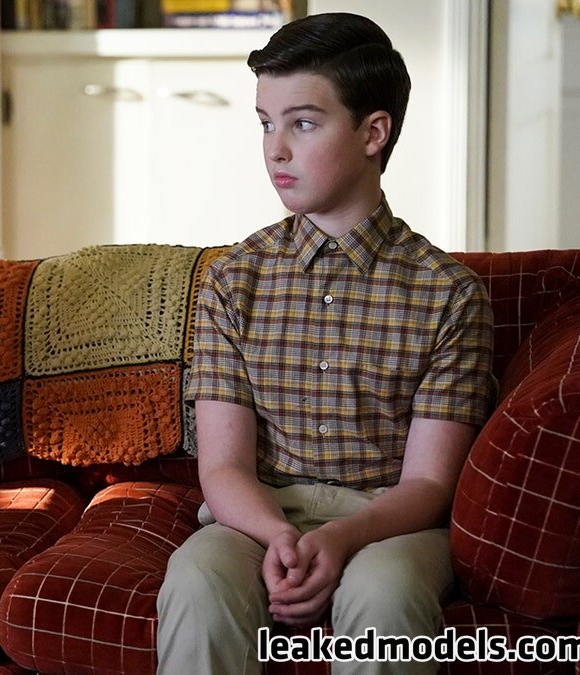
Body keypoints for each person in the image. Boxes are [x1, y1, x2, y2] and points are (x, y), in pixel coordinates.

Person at [156, 13, 495, 675]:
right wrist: (279, 535)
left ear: (373, 133)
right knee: (198, 579)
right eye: (265, 123)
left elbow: (429, 481)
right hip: (259, 514)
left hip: (390, 523)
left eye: (303, 124)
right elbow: (223, 467)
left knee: (386, 591)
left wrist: (343, 537)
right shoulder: (234, 279)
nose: (275, 150)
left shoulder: (449, 294)